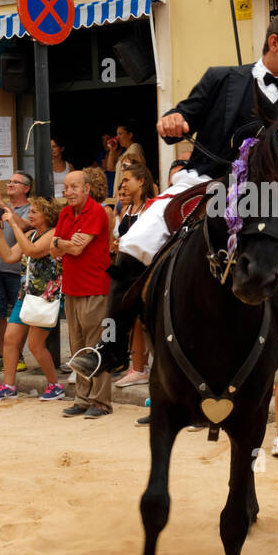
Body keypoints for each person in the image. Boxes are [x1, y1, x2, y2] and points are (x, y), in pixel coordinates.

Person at [69, 9, 278, 395]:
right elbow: (184, 116)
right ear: (274, 42)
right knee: (135, 240)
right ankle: (110, 344)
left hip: (264, 197)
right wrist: (171, 119)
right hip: (208, 182)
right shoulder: (222, 78)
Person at [0, 194, 65, 402]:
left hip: (45, 296)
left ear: (46, 215)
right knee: (10, 340)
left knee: (35, 345)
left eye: (34, 211)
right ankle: (9, 385)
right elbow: (10, 256)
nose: (29, 214)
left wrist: (13, 224)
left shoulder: (53, 233)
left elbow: (33, 251)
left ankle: (54, 384)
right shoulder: (30, 234)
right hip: (27, 294)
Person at [52, 170, 113, 418]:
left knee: (96, 346)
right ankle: (82, 398)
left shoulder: (96, 211)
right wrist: (63, 244)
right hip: (72, 287)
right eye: (66, 188)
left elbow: (76, 250)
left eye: (74, 187)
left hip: (95, 287)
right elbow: (53, 248)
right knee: (77, 347)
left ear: (87, 189)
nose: (68, 192)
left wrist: (62, 243)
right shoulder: (65, 212)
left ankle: (101, 402)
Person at [0, 171, 33, 374]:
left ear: (26, 188)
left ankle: (17, 355)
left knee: (20, 315)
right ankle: (2, 355)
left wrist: (1, 202)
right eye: (9, 181)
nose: (9, 184)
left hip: (17, 269)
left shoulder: (30, 209)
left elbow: (24, 225)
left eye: (15, 182)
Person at [112, 163, 155, 389]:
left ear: (141, 182)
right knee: (131, 321)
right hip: (126, 270)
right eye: (122, 180)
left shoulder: (151, 208)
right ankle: (136, 367)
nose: (123, 184)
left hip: (144, 271)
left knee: (143, 321)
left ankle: (143, 368)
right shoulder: (124, 207)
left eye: (127, 179)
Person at [104, 124, 146, 196]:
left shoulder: (135, 147)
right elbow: (110, 168)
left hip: (127, 194)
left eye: (120, 134)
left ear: (130, 135)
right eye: (117, 134)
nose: (117, 137)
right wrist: (112, 150)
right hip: (121, 195)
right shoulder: (125, 152)